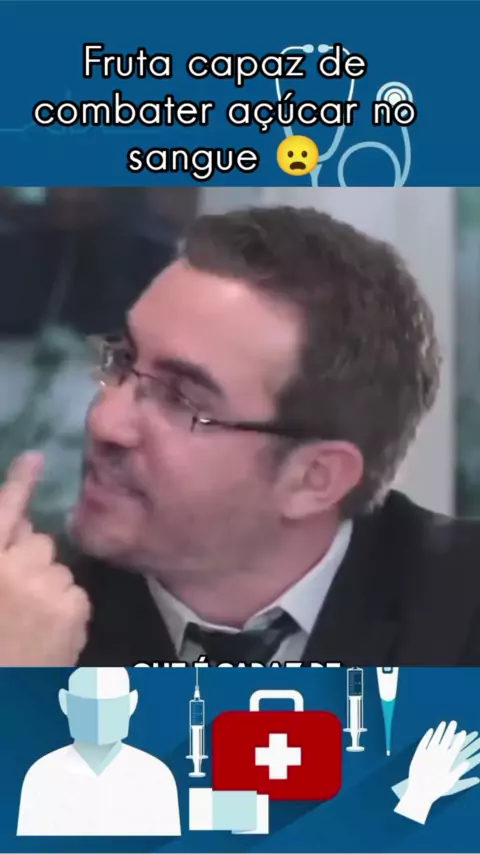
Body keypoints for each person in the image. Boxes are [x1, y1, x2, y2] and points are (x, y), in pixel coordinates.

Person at [0, 205, 480, 667]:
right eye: (124, 360)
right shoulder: (29, 617)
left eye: (180, 398)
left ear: (314, 478)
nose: (105, 421)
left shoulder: (459, 613)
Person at [17, 667, 181, 836]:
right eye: (87, 706)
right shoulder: (42, 775)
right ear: (65, 702)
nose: (99, 717)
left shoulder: (156, 776)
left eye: (110, 705)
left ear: (131, 703)